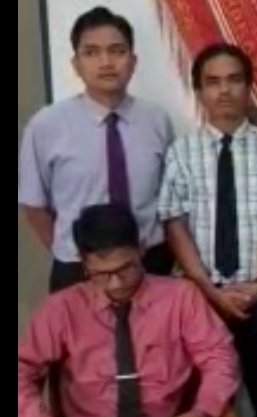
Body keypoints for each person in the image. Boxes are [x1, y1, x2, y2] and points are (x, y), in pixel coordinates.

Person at [18, 204, 239, 417]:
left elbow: (220, 358)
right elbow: (21, 373)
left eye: (126, 267)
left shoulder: (180, 297)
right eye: (101, 274)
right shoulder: (61, 309)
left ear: (141, 249)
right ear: (83, 264)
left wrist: (202, 414)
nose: (117, 282)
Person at [158, 43, 257, 417]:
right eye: (213, 82)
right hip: (199, 298)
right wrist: (207, 288)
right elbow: (174, 223)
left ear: (249, 87)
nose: (224, 90)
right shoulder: (181, 152)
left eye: (234, 80)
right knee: (200, 406)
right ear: (199, 91)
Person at [19, 6, 175, 292]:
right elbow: (34, 206)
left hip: (150, 262)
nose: (106, 62)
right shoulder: (47, 125)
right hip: (79, 267)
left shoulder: (156, 120)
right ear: (76, 64)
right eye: (91, 52)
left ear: (133, 61)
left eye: (117, 51)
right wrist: (76, 251)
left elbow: (170, 198)